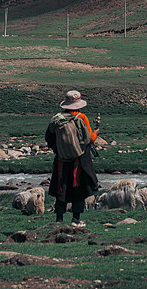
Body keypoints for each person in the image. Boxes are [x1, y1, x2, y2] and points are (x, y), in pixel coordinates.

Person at [45, 89, 100, 227]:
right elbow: (88, 139)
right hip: (79, 159)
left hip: (61, 160)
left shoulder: (56, 120)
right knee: (78, 187)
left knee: (61, 187)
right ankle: (76, 219)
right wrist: (96, 133)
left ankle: (59, 218)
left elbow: (49, 139)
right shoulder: (81, 118)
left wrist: (60, 150)